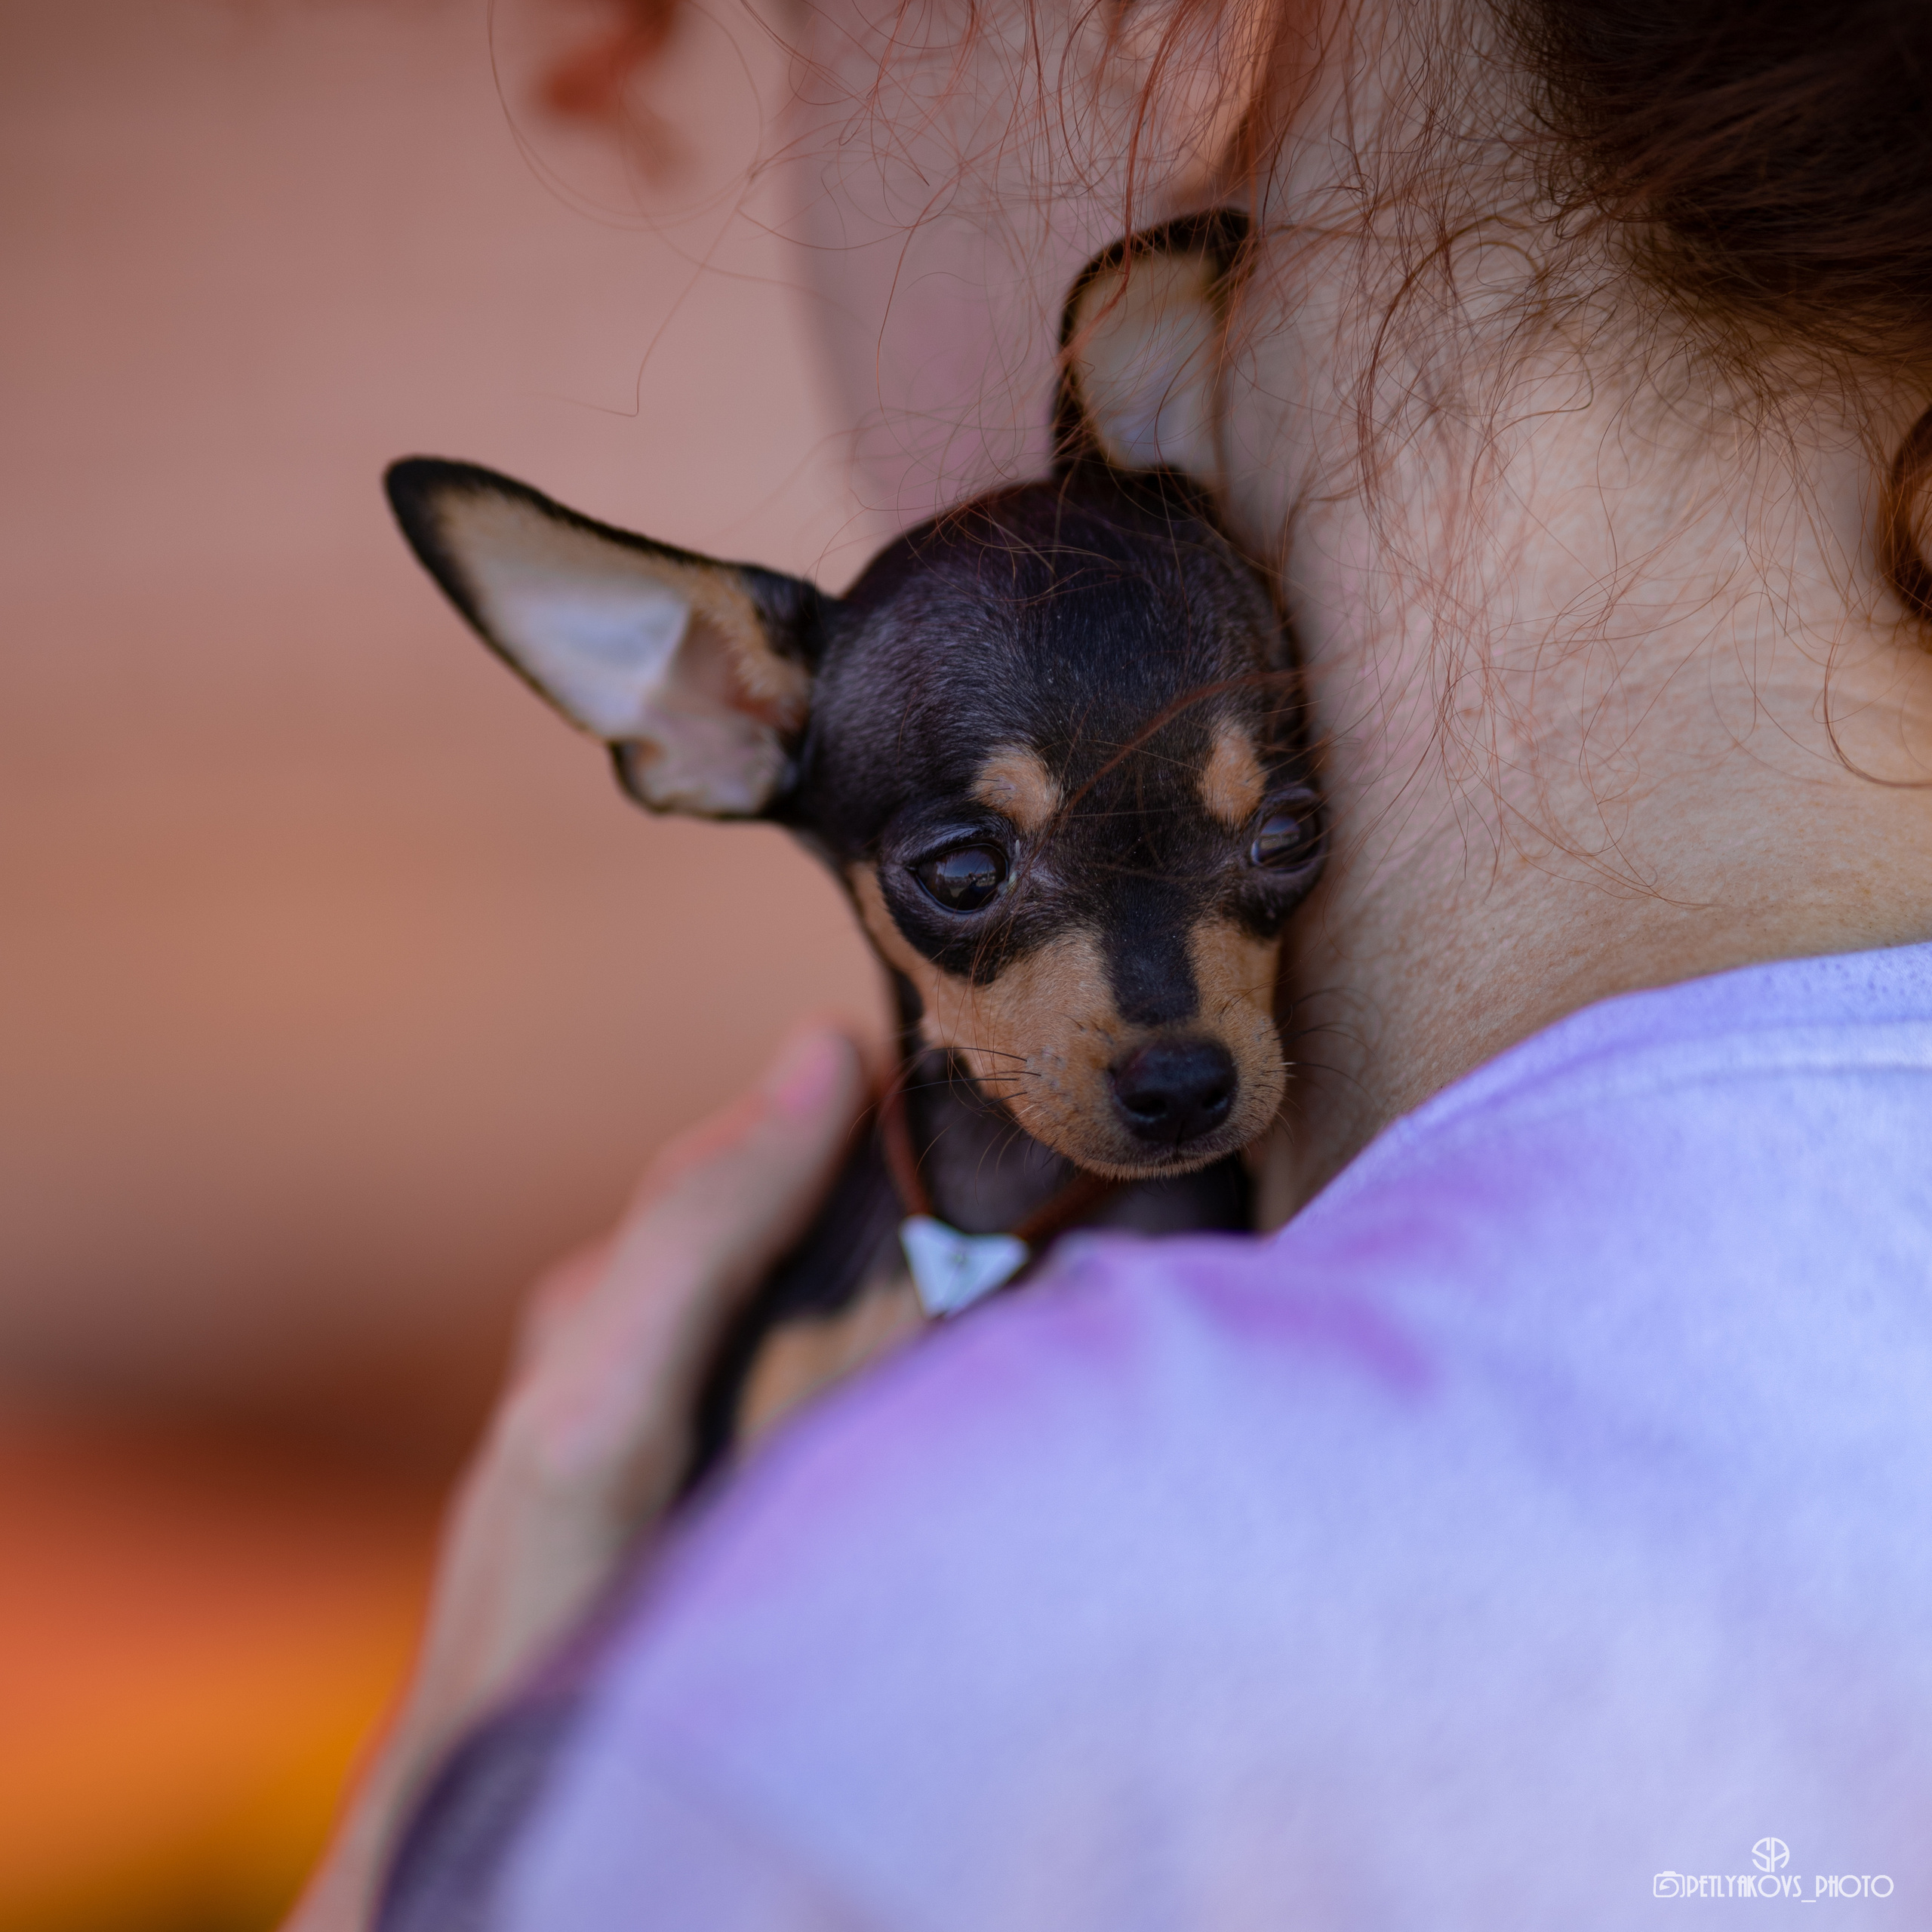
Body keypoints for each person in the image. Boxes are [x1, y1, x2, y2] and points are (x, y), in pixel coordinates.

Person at [291, 0, 1932, 1922]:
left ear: (1168, 38)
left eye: (794, 43)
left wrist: (502, 1839)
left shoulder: (922, 1680)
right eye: (978, 870)